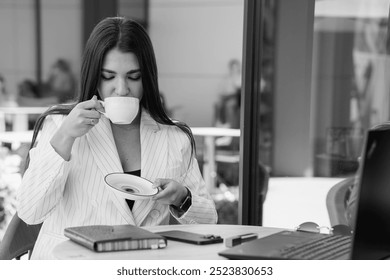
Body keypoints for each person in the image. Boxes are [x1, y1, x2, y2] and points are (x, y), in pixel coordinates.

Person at [16, 17, 217, 259]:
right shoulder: (60, 124)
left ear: (148, 78)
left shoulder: (173, 137)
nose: (121, 89)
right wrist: (65, 137)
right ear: (94, 76)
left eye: (133, 77)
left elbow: (209, 222)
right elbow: (30, 212)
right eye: (108, 76)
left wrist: (181, 198)